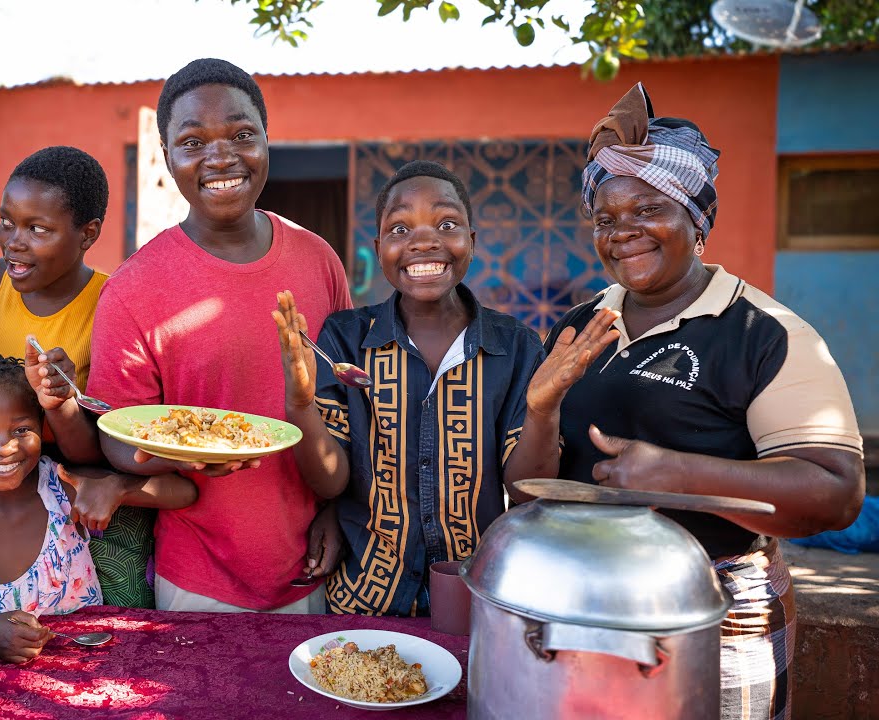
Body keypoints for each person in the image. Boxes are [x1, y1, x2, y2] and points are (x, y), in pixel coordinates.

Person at [512, 83, 864, 720]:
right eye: (606, 218)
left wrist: (676, 476)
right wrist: (539, 411)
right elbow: (526, 487)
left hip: (720, 611)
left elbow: (837, 493)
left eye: (649, 209)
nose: (623, 233)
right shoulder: (581, 323)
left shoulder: (765, 333)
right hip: (584, 597)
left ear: (696, 218)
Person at [86, 58, 352, 614]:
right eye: (193, 141)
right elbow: (116, 437)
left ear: (266, 140)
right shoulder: (135, 288)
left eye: (241, 134)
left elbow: (350, 407)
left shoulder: (317, 259)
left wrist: (338, 507)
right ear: (168, 156)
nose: (221, 156)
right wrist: (179, 456)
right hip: (197, 580)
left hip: (317, 566)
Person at [274, 161, 545, 615]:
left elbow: (525, 489)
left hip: (476, 601)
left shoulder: (514, 347)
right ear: (379, 249)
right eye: (400, 228)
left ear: (471, 241)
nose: (423, 241)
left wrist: (544, 410)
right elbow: (331, 478)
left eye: (446, 223)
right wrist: (300, 406)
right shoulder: (345, 340)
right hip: (366, 598)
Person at [0, 146, 196, 608]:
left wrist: (60, 402)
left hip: (83, 503)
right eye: (7, 222)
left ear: (88, 233)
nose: (14, 241)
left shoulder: (111, 306)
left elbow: (101, 451)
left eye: (38, 229)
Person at [0, 355, 102, 662]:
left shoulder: (61, 482)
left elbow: (182, 493)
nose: (6, 447)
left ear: (42, 427)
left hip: (85, 652)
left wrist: (119, 487)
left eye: (22, 430)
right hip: (5, 657)